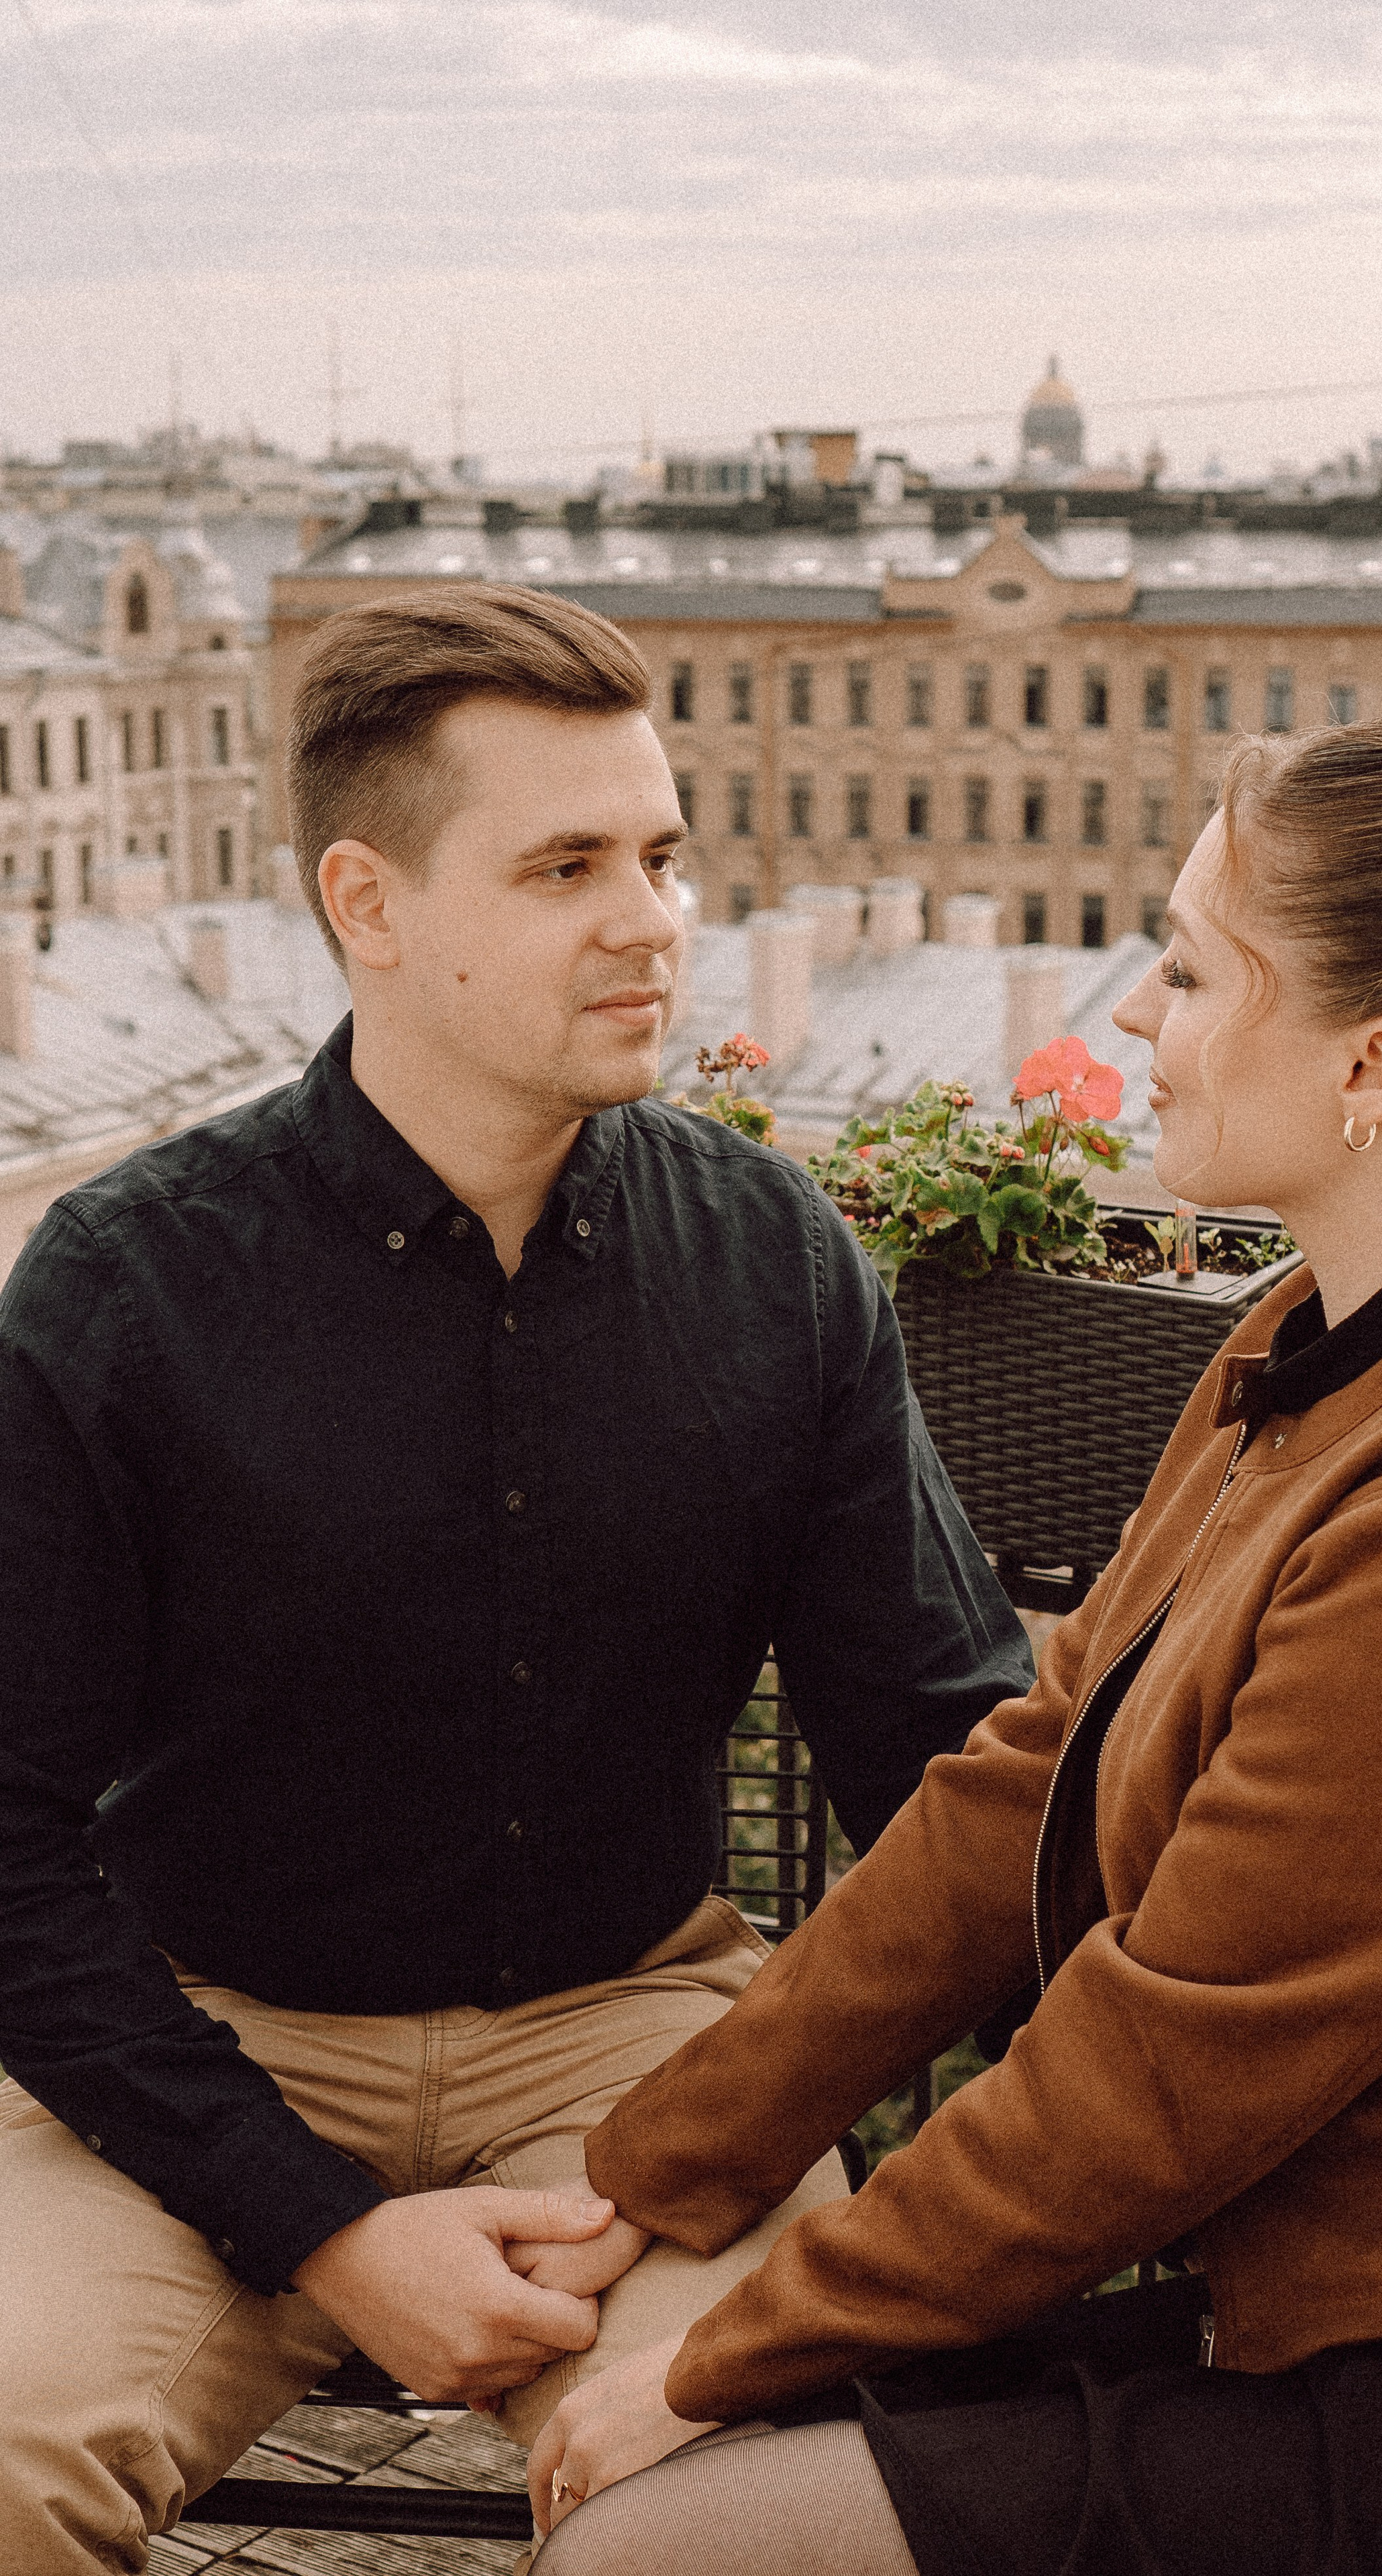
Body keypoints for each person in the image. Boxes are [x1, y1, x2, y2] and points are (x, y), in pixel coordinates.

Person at [522, 669, 1382, 2576]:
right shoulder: (1339, 1335)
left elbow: (1165, 2070)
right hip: (1346, 2293)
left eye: (1184, 968)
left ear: (1371, 1069)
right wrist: (652, 2174)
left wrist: (713, 2362)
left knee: (650, 2545)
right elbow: (1018, 1792)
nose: (1138, 1018)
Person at [0, 584, 1034, 2573]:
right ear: (367, 907)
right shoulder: (125, 1291)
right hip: (205, 2041)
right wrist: (315, 2224)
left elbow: (937, 1752)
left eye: (660, 853)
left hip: (634, 2047)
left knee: (759, 2508)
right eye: (566, 866)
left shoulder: (774, 1259)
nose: (654, 918)